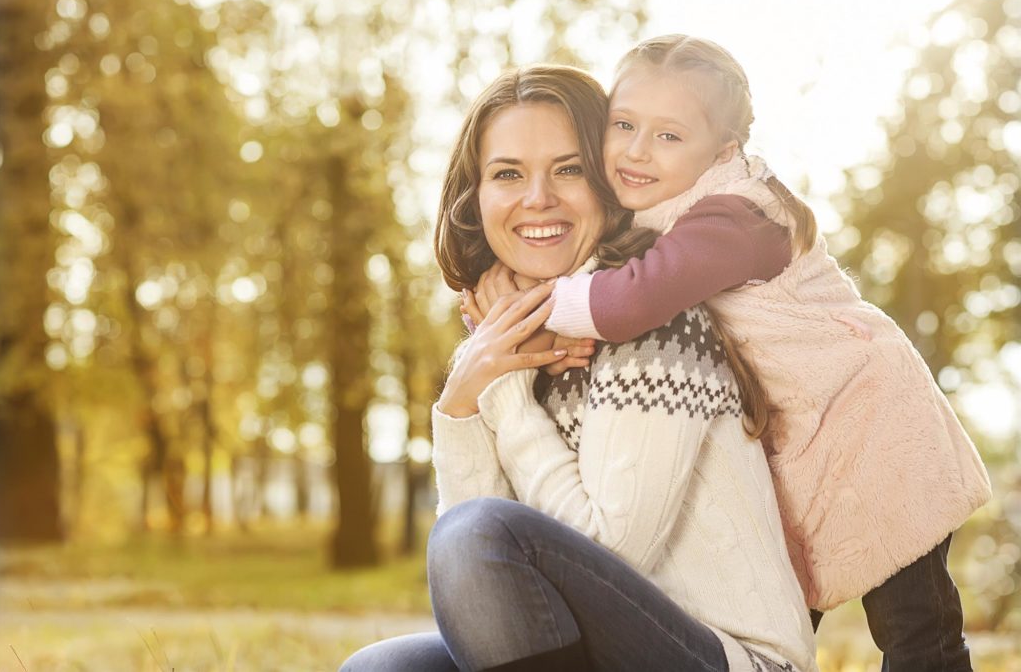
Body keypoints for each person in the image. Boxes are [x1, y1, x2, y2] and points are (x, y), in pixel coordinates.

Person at [502, 34, 991, 672]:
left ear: (723, 151)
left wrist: (519, 312)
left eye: (669, 136)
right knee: (775, 614)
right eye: (623, 124)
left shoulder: (733, 216)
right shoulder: (654, 213)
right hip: (808, 441)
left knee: (915, 627)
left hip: (875, 423)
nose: (636, 150)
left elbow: (625, 303)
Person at [340, 65, 818, 671]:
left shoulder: (649, 319)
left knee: (478, 534)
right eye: (508, 173)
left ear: (608, 183)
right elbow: (482, 596)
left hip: (727, 661)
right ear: (476, 197)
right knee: (381, 669)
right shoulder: (505, 347)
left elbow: (608, 548)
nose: (538, 198)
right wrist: (462, 399)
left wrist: (505, 397)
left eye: (568, 170)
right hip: (598, 652)